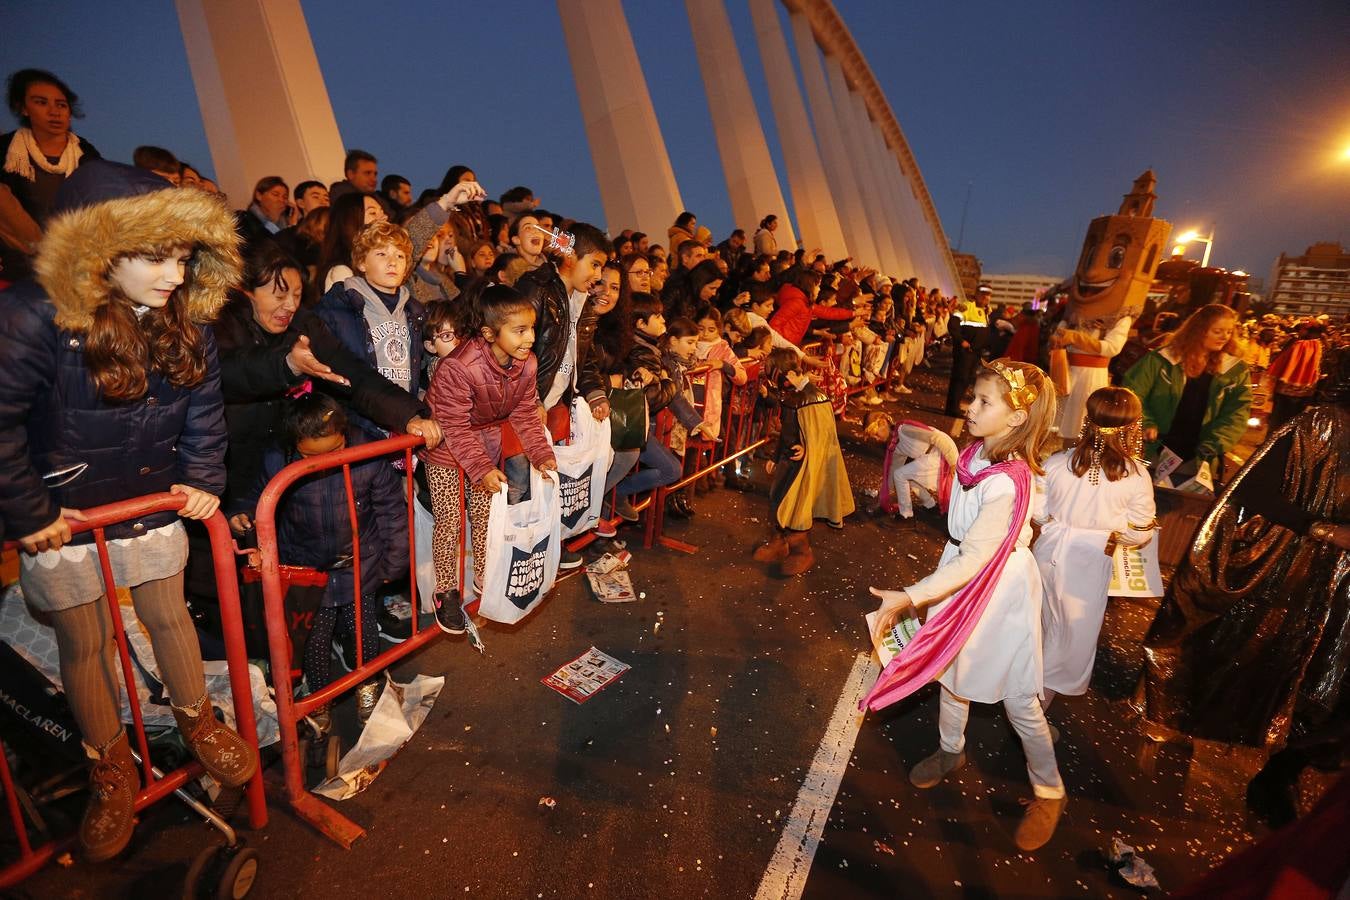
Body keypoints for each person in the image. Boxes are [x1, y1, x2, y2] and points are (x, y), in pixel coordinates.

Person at [0, 160, 258, 861]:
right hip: (66, 517)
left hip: (149, 504)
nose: (175, 273)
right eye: (154, 255)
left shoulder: (188, 318)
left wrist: (202, 476)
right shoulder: (34, 314)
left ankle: (198, 722)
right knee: (86, 644)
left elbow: (204, 407)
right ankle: (108, 766)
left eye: (182, 255)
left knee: (169, 615)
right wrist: (28, 512)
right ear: (99, 248)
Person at [866, 359, 1066, 852]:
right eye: (972, 396)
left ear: (1016, 418)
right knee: (952, 673)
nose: (969, 406)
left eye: (983, 402)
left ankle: (1049, 790)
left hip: (996, 588)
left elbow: (979, 556)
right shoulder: (979, 452)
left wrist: (911, 596)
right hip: (960, 570)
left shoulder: (1007, 480)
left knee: (1020, 698)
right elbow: (964, 526)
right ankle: (951, 750)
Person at [213, 242, 437, 509]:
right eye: (279, 295)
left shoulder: (304, 324)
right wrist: (288, 364)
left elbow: (353, 373)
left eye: (297, 295)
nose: (290, 306)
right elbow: (229, 373)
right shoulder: (218, 323)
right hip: (230, 469)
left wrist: (408, 415)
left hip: (285, 468)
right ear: (246, 292)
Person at [234, 393, 405, 728]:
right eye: (313, 457)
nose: (326, 462)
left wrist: (394, 561)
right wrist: (239, 515)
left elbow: (391, 511)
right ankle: (318, 700)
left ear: (344, 433)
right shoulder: (277, 459)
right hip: (309, 569)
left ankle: (366, 687)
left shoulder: (367, 453)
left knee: (363, 632)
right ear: (295, 444)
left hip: (361, 563)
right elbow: (254, 499)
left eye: (334, 452)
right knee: (314, 638)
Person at [422, 282, 558, 634]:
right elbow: (453, 424)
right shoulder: (459, 367)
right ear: (489, 332)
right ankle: (446, 591)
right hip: (445, 450)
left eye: (531, 327)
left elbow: (525, 412)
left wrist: (542, 455)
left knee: (484, 517)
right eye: (519, 330)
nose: (530, 338)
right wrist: (481, 467)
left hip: (483, 445)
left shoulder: (525, 364)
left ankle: (487, 577)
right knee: (450, 523)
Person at [1033, 386, 1156, 728]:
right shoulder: (1136, 475)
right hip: (1089, 561)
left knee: (1040, 620)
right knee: (1071, 634)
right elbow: (1141, 530)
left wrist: (1061, 519)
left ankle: (1020, 690)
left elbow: (1039, 511)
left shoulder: (1058, 461)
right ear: (1133, 426)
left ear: (1088, 421)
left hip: (1048, 550)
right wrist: (1113, 529)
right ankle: (1034, 710)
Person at [751, 348, 853, 575]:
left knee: (797, 508)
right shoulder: (794, 397)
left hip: (805, 465)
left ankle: (801, 551)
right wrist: (776, 457)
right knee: (778, 500)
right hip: (790, 460)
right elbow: (788, 431)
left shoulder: (814, 397)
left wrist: (808, 449)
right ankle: (779, 543)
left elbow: (823, 435)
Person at [1121, 303, 1252, 482]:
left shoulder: (1235, 369)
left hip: (1199, 459)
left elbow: (1238, 411)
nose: (1225, 337)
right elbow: (1132, 393)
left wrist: (1217, 442)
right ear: (1199, 330)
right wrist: (1146, 423)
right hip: (1154, 451)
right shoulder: (1163, 359)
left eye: (1229, 332)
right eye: (1218, 331)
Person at [2, 68, 101, 280]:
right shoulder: (5, 152)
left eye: (61, 105)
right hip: (19, 273)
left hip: (80, 269)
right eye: (41, 102)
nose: (54, 111)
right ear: (23, 109)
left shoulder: (86, 154)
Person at [614, 292, 694, 519]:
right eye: (658, 317)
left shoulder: (647, 347)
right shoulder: (642, 351)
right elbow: (653, 397)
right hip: (635, 425)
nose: (663, 322)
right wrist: (668, 381)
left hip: (636, 423)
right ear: (640, 323)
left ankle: (615, 493)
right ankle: (616, 492)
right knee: (671, 469)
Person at [866, 415, 958, 525]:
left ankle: (906, 517)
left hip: (940, 453)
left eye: (876, 434)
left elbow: (937, 437)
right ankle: (930, 506)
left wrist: (953, 461)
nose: (877, 439)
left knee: (901, 475)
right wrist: (883, 497)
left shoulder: (904, 430)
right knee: (904, 474)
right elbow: (892, 471)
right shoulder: (895, 443)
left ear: (883, 424)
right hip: (931, 456)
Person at [1263, 322, 1324, 429]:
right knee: (1294, 423)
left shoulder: (1299, 344)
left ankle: (1273, 444)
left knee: (1278, 421)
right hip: (1306, 392)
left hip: (1285, 392)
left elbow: (1281, 362)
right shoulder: (1321, 346)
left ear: (1307, 331)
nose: (1299, 331)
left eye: (1302, 329)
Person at [944, 284, 992, 417]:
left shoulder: (986, 311)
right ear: (976, 294)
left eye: (988, 295)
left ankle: (954, 406)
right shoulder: (966, 306)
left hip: (976, 352)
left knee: (966, 379)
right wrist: (961, 341)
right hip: (965, 351)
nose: (985, 297)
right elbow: (952, 325)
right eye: (983, 294)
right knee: (960, 378)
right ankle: (952, 409)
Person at [236, 175, 292, 253]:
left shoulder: (287, 224)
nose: (281, 200)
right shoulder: (244, 221)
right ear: (259, 195)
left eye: (285, 197)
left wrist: (293, 225)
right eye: (275, 194)